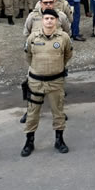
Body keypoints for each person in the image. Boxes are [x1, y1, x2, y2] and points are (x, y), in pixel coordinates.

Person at [20, 10, 72, 157]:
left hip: (56, 81)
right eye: (46, 18)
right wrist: (38, 68)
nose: (49, 21)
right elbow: (28, 55)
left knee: (58, 112)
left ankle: (59, 140)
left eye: (52, 18)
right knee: (32, 113)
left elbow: (68, 54)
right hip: (36, 82)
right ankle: (29, 142)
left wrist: (56, 67)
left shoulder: (64, 37)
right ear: (42, 20)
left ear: (56, 20)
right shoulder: (33, 37)